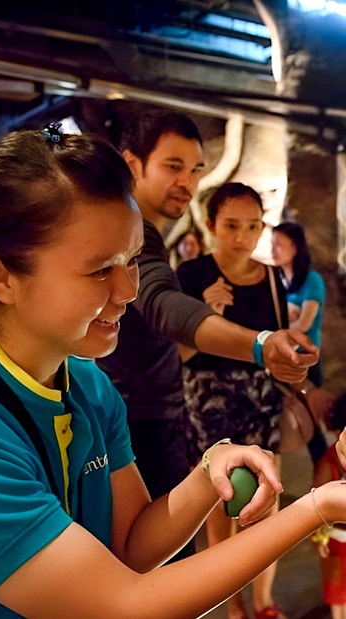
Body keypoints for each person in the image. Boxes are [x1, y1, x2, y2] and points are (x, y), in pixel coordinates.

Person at [0, 123, 340, 619]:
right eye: (101, 269)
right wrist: (314, 508)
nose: (126, 291)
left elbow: (128, 545)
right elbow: (121, 605)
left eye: (131, 260)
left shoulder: (84, 381)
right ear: (0, 277)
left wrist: (210, 472)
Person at [97, 108, 318, 518]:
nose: (187, 181)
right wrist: (260, 344)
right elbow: (163, 303)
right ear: (133, 164)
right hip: (139, 418)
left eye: (195, 169)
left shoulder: (145, 235)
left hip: (157, 413)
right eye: (173, 166)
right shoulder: (137, 237)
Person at [176, 182, 289, 619]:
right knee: (219, 502)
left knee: (266, 497)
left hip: (259, 400)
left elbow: (279, 349)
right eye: (231, 225)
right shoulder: (190, 276)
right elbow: (177, 356)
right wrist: (207, 315)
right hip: (207, 399)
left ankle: (263, 602)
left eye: (253, 226)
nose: (243, 235)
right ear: (210, 226)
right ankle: (229, 604)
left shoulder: (273, 278)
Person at [272, 221, 328, 462]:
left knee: (313, 425)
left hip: (305, 361)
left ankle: (328, 476)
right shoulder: (278, 280)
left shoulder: (311, 280)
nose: (273, 250)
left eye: (278, 245)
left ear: (295, 248)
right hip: (281, 359)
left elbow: (303, 324)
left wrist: (278, 327)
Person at [312, 392, 346, 619]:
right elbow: (316, 507)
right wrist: (319, 536)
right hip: (337, 541)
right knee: (337, 590)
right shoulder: (328, 464)